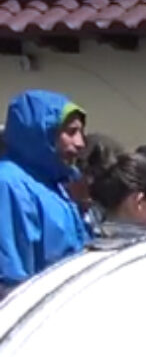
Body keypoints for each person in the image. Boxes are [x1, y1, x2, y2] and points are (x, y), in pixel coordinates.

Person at [0, 90, 90, 296]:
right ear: (40, 133)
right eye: (70, 132)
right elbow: (11, 276)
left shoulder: (55, 182)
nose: (80, 143)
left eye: (81, 132)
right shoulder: (8, 183)